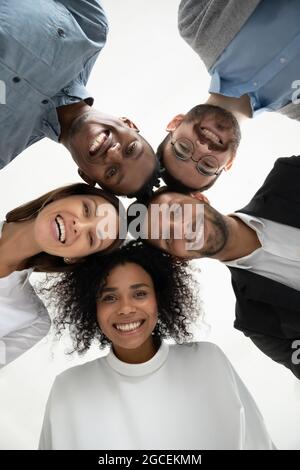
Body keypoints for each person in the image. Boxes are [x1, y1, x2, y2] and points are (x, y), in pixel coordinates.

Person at [39, 240, 273, 450]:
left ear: (159, 299)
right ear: (93, 308)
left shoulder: (208, 360)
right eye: (109, 297)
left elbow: (259, 444)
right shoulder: (69, 388)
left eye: (139, 294)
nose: (126, 308)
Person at [142, 155, 300, 379]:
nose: (182, 228)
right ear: (179, 258)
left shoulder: (289, 176)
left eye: (176, 211)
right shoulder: (258, 322)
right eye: (168, 238)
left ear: (199, 198)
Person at [0, 0, 159, 198]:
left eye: (112, 172)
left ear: (86, 177)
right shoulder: (91, 26)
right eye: (131, 149)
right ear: (128, 123)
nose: (113, 153)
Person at [157, 0, 300, 192]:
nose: (203, 148)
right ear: (230, 162)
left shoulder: (195, 24)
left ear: (175, 123)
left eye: (183, 149)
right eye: (207, 166)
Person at [0, 183, 124, 368]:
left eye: (91, 238)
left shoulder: (33, 322)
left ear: (75, 258)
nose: (78, 225)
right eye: (87, 209)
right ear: (63, 195)